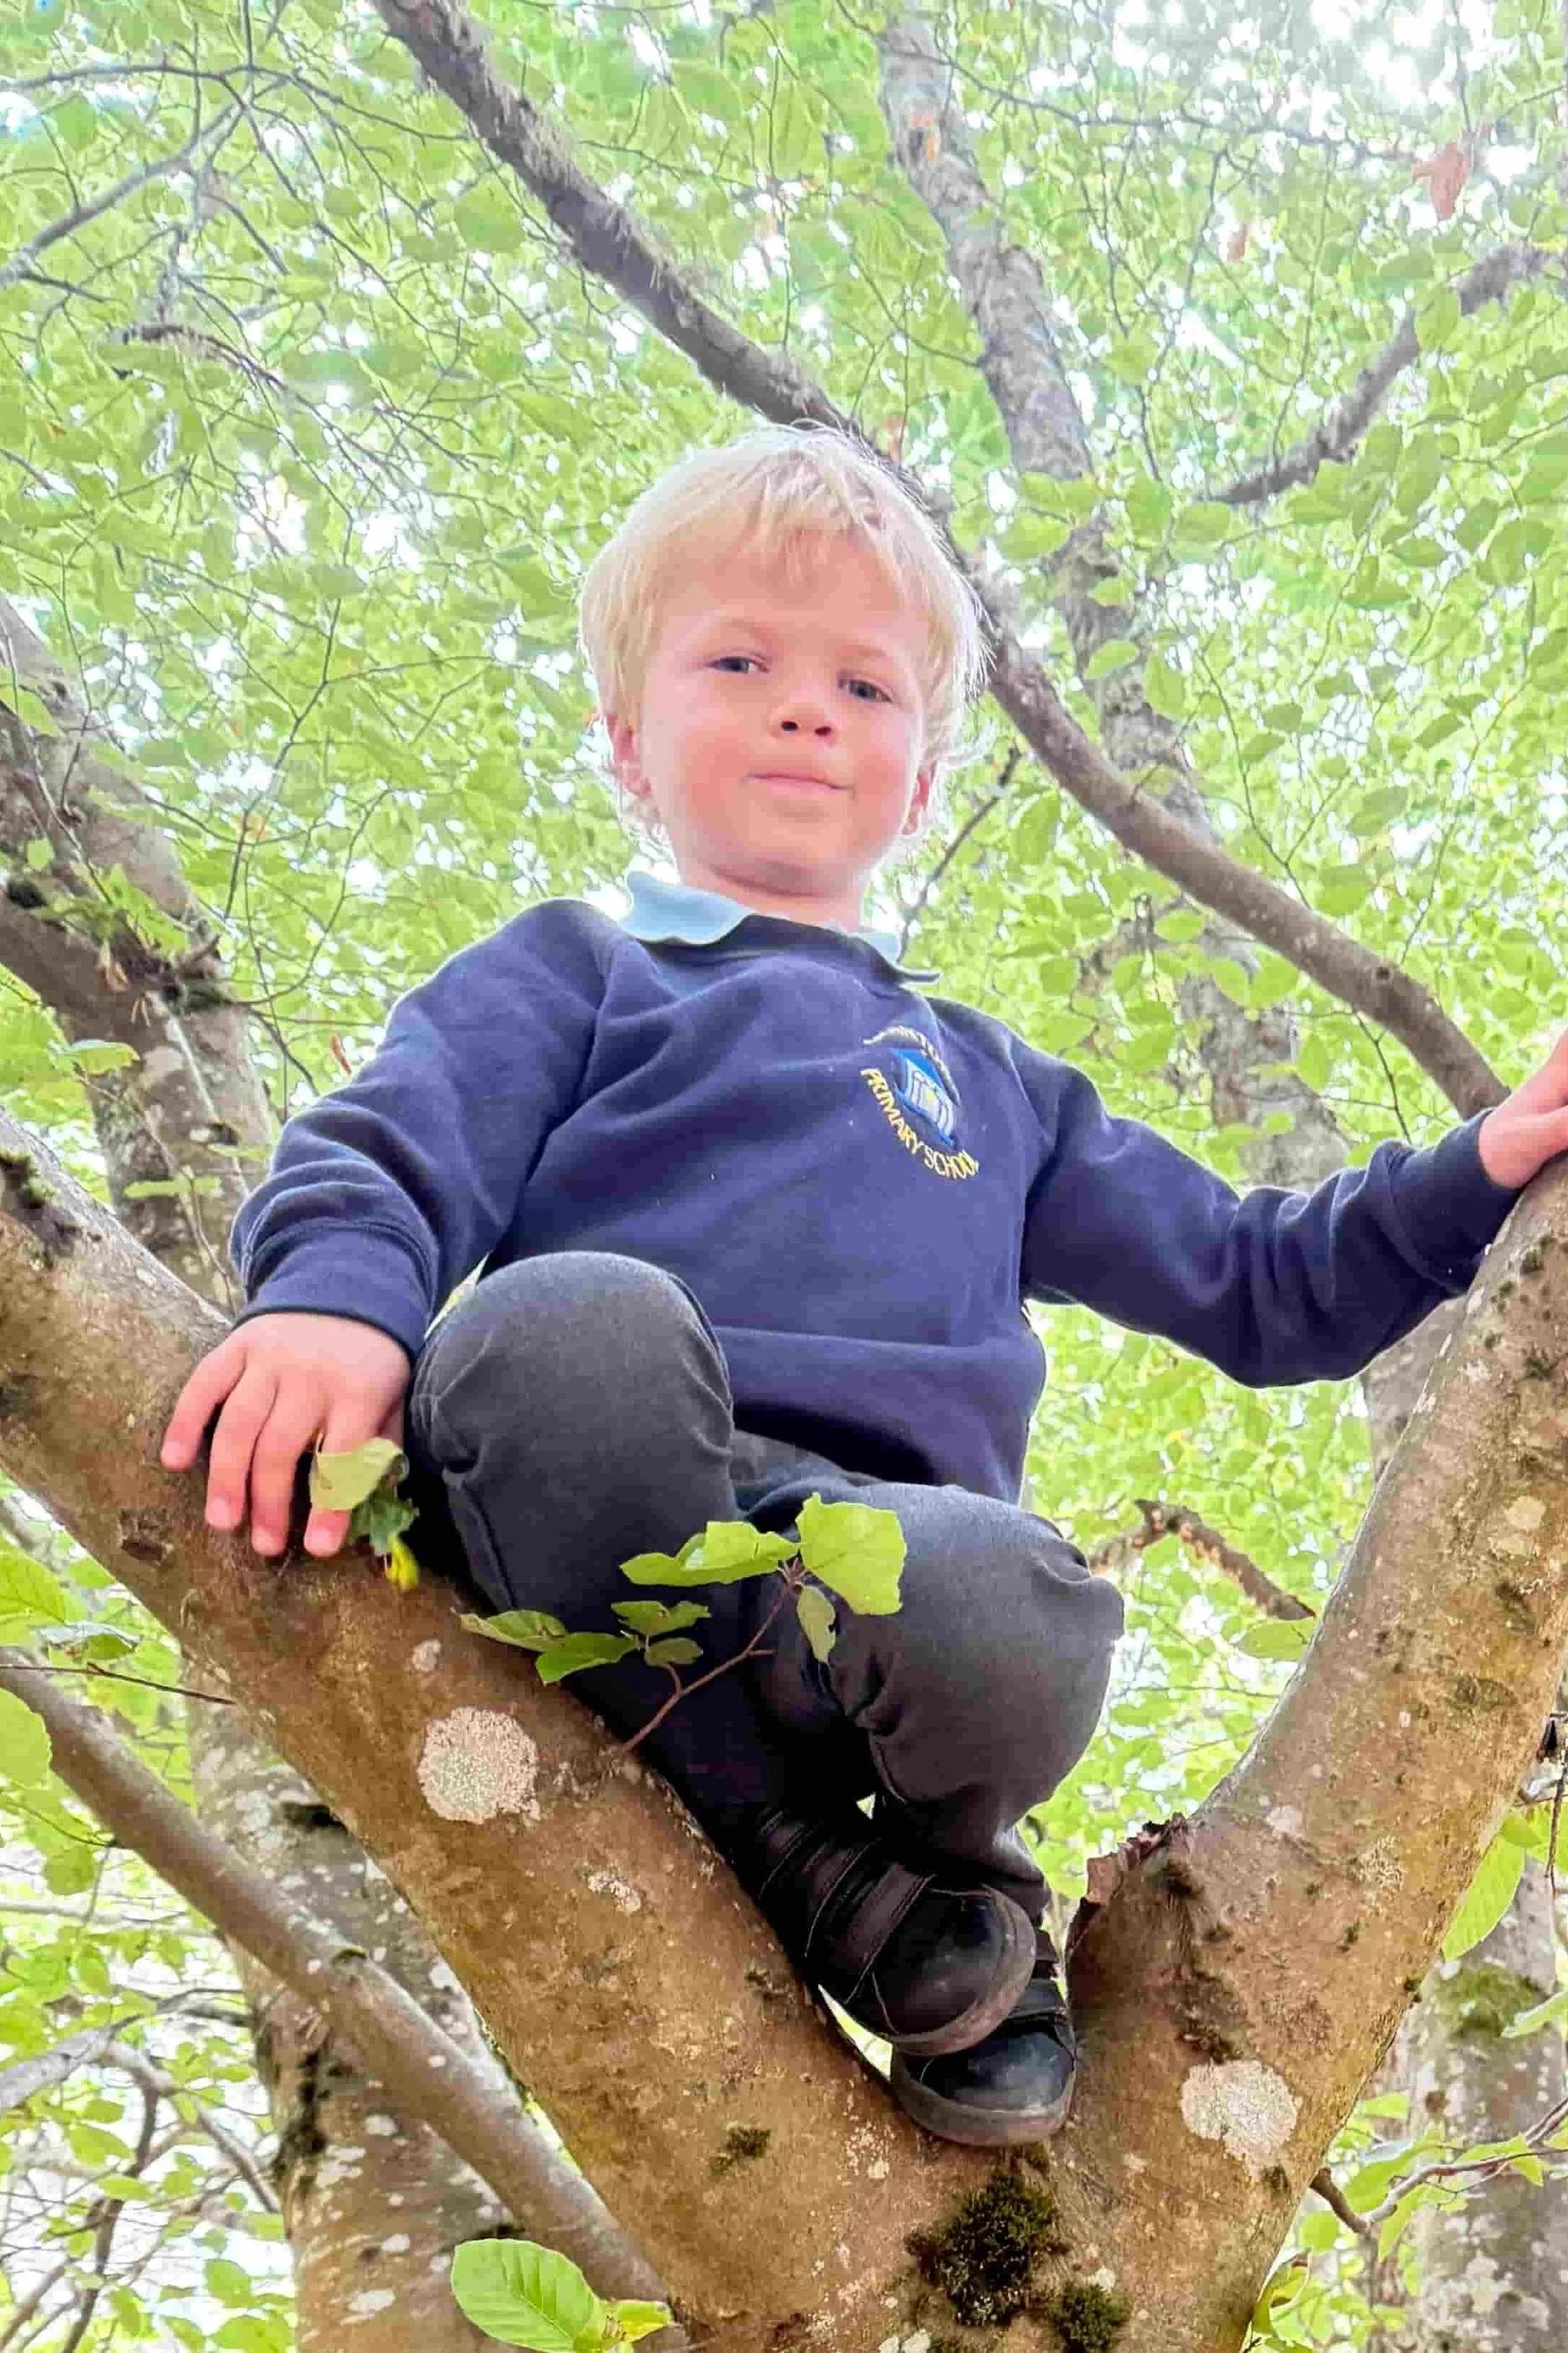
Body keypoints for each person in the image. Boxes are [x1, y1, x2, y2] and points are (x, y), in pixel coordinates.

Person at [161, 423, 1564, 2149]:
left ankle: (871, 1864)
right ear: (627, 742)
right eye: (738, 659)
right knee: (562, 1327)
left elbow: (1262, 1283)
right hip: (601, 1512)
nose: (803, 707)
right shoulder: (575, 969)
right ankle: (888, 1909)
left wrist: (1484, 1157)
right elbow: (388, 1147)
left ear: (918, 775)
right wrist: (333, 1301)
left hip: (867, 1599)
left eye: (863, 685)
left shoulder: (992, 1084)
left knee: (1023, 1602)